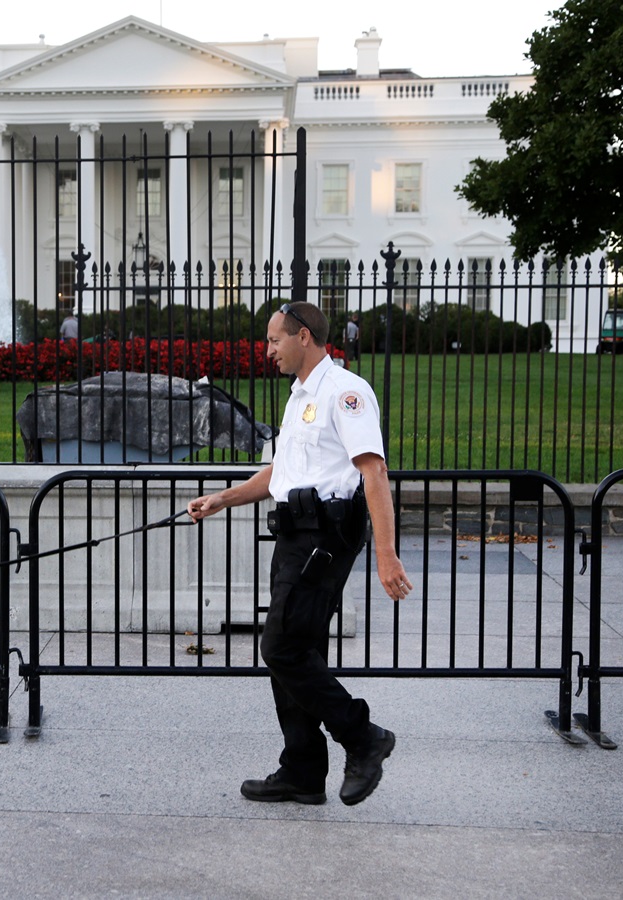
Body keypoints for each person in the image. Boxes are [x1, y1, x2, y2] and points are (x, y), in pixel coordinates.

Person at [187, 300, 412, 807]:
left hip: (323, 540)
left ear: (304, 336)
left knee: (281, 648)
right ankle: (304, 771)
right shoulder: (299, 398)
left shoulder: (345, 393)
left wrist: (386, 553)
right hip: (294, 537)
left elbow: (373, 472)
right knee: (296, 652)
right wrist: (223, 498)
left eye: (274, 340)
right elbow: (282, 474)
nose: (267, 350)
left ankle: (364, 737)